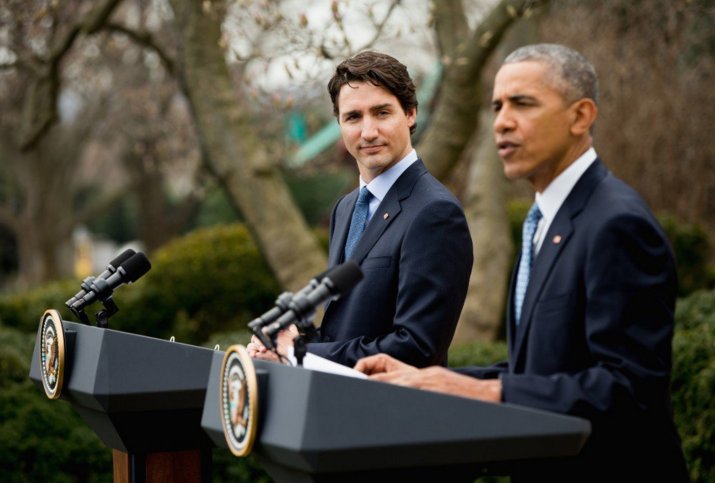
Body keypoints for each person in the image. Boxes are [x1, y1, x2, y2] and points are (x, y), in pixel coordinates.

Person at [355, 44, 689, 482]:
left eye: (523, 104)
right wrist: (434, 380)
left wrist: (486, 391)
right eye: (496, 106)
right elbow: (541, 371)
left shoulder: (617, 223)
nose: (502, 122)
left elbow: (629, 391)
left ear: (581, 116)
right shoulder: (541, 222)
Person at [248, 51, 473, 368]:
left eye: (381, 113)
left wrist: (300, 354)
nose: (368, 132)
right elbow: (344, 330)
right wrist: (286, 343)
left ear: (410, 114)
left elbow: (418, 346)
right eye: (353, 117)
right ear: (339, 123)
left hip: (393, 411)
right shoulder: (346, 208)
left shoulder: (435, 213)